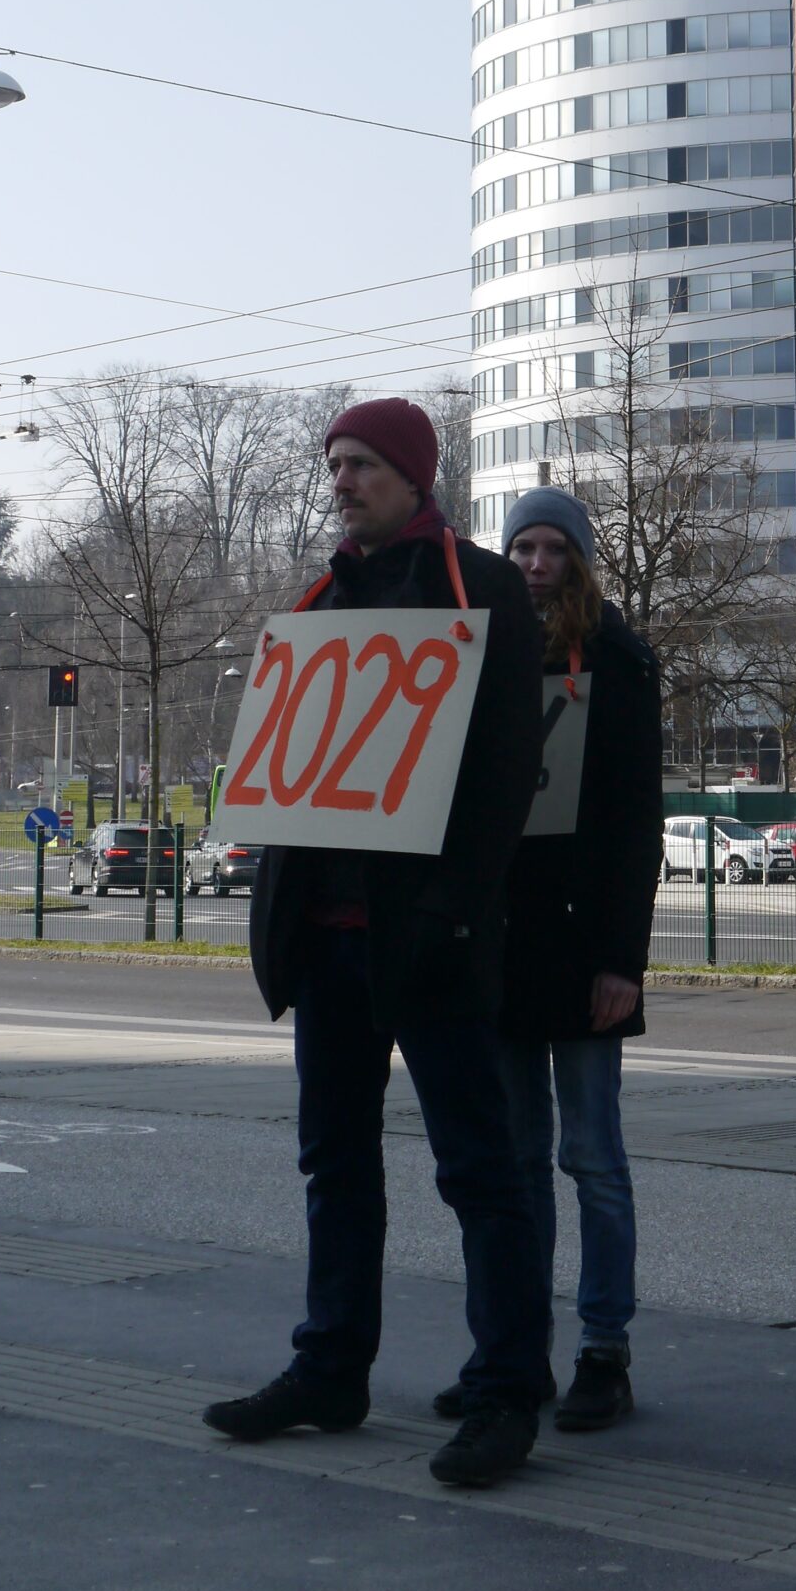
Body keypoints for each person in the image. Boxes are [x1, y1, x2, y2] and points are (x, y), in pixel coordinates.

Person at [203, 397, 553, 1490]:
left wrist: (452, 913)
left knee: (480, 1175)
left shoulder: (483, 590)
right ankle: (330, 1367)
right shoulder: (320, 599)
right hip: (330, 943)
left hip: (432, 945)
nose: (340, 481)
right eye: (334, 464)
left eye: (359, 464)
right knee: (334, 1164)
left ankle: (504, 1393)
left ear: (411, 472)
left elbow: (502, 784)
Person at [433, 486, 664, 1433]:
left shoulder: (617, 657)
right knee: (517, 1161)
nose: (534, 565)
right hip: (500, 947)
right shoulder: (478, 654)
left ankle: (602, 1352)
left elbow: (632, 824)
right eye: (521, 548)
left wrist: (623, 959)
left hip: (582, 945)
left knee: (592, 1158)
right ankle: (516, 1353)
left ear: (580, 559)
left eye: (552, 550)